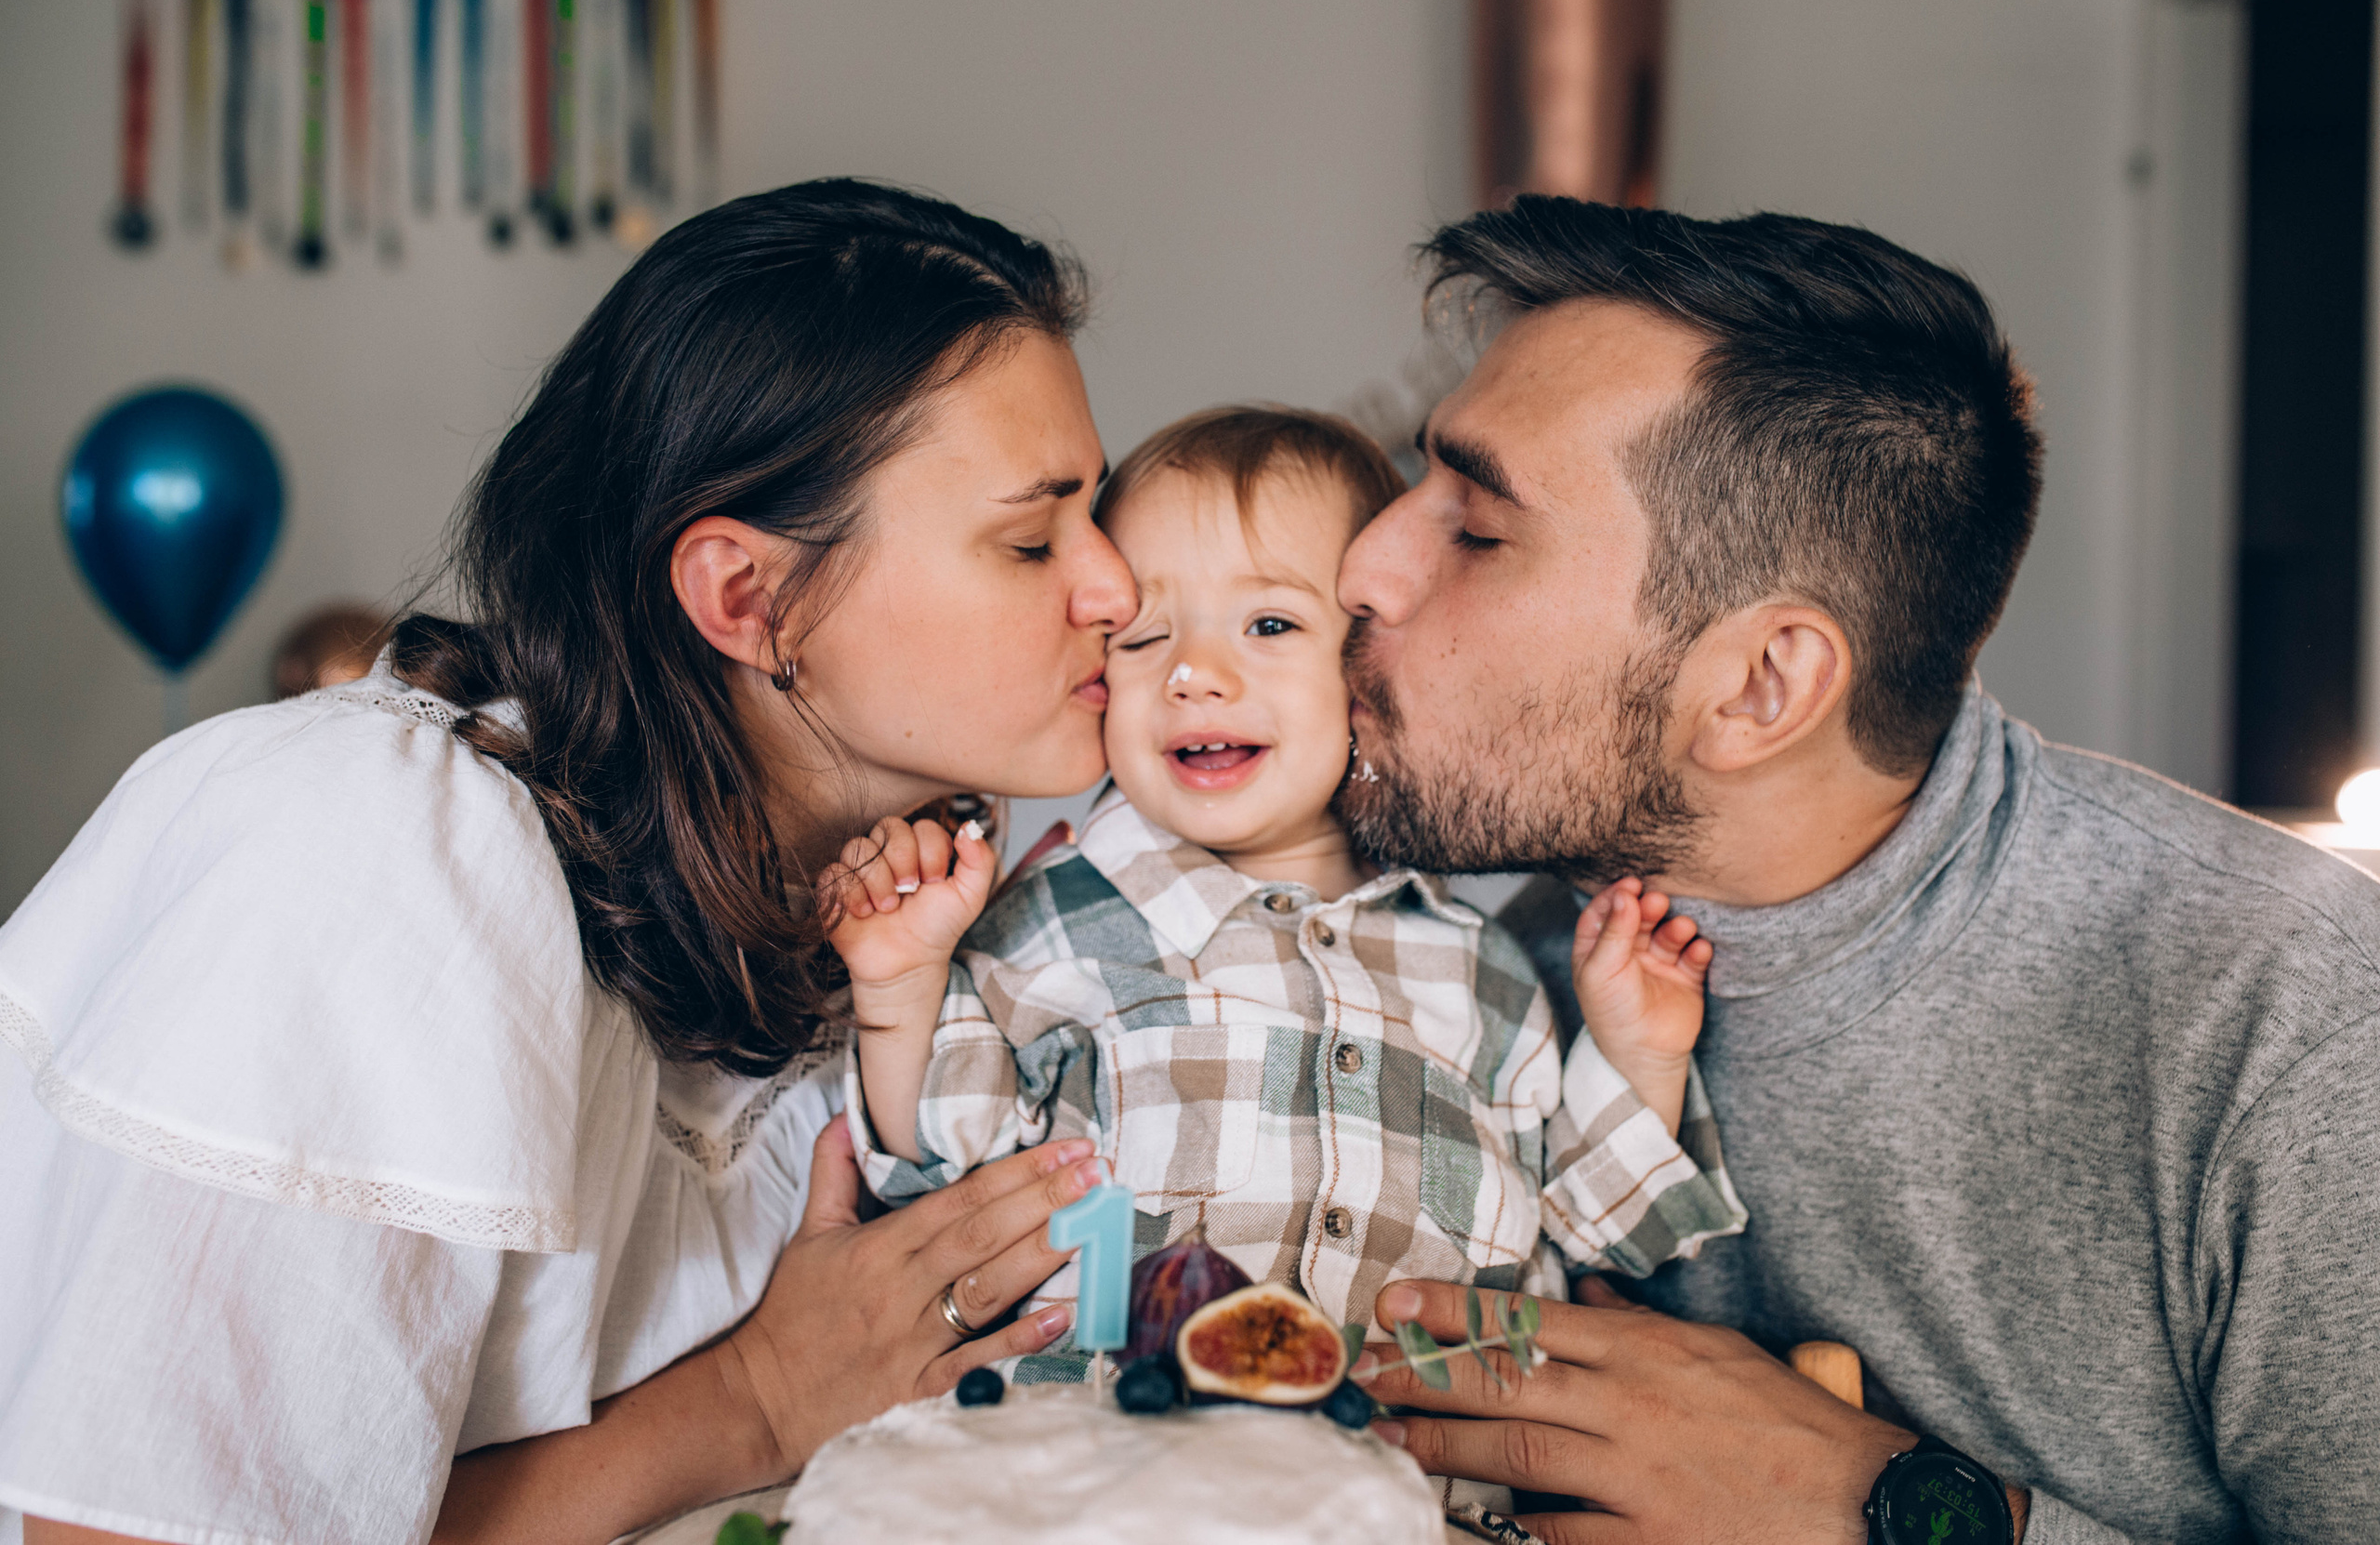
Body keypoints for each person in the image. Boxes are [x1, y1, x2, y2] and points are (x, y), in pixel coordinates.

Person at [0, 179, 1143, 1545]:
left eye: (1098, 514)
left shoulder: (888, 924)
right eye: (1032, 538)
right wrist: (761, 1398)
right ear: (749, 598)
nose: (1117, 588)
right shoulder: (382, 858)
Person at [1333, 197, 2380, 1544]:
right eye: (1410, 484)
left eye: (1477, 529)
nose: (1362, 565)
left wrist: (1877, 1510)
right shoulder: (1419, 938)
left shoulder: (2295, 1025)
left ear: (1761, 686)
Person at [821, 407, 1745, 1397]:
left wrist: (1640, 1057)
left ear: (1369, 668)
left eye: (1268, 625)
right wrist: (902, 986)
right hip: (1117, 1446)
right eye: (1144, 637)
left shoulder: (1485, 968)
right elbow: (939, 1174)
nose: (1193, 676)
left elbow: (1601, 1237)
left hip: (1417, 1464)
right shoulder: (1049, 921)